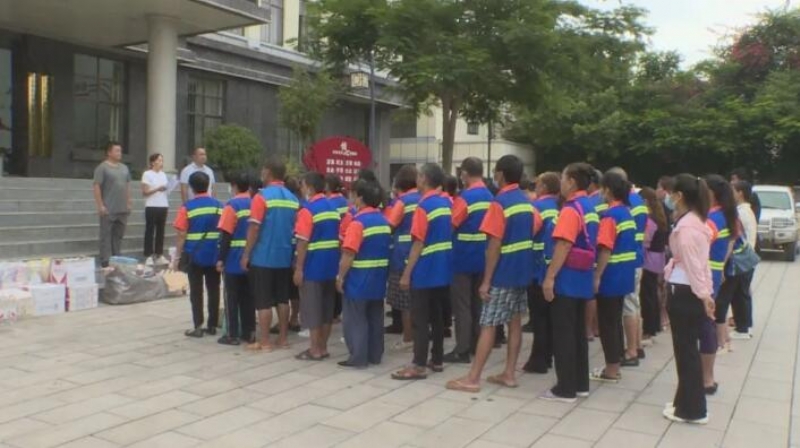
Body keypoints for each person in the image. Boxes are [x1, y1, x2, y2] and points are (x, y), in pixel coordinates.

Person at [446, 155, 539, 393]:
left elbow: (494, 245)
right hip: (522, 271)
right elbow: (535, 227)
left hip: (503, 273)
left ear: (500, 174)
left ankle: (473, 378)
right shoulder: (527, 202)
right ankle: (509, 374)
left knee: (488, 324)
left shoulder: (500, 203)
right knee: (515, 322)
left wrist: (486, 281)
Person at [540, 163, 598, 403]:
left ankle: (565, 388)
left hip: (567, 278)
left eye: (563, 179)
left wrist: (549, 277)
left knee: (563, 333)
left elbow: (563, 245)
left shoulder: (570, 209)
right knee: (577, 333)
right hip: (583, 277)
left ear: (572, 181)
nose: (561, 183)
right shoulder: (590, 206)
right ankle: (580, 384)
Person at [392, 163, 453, 380]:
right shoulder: (446, 203)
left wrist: (407, 273)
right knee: (437, 317)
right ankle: (437, 359)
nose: (416, 180)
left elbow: (418, 243)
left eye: (419, 176)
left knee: (420, 319)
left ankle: (418, 364)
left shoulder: (423, 207)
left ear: (424, 179)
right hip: (443, 268)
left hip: (425, 270)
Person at [663, 174, 715, 425]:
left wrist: (705, 295)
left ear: (679, 196)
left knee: (686, 353)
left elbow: (695, 266)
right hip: (690, 290)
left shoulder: (686, 228)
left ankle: (693, 410)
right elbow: (703, 265)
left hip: (685, 291)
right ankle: (682, 402)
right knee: (686, 350)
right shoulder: (696, 222)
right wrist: (707, 293)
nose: (669, 198)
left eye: (671, 194)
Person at [242, 158, 299, 352]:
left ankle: (265, 341)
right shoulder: (293, 199)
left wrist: (246, 254)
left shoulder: (261, 197)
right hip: (284, 256)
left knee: (263, 300)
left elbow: (254, 228)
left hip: (263, 256)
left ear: (268, 173)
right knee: (283, 299)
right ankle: (283, 338)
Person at [337, 180, 392, 368]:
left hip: (359, 279)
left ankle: (358, 357)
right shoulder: (384, 222)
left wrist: (340, 277)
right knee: (375, 317)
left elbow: (349, 253)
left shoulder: (358, 223)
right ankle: (375, 355)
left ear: (360, 198)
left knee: (356, 319)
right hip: (378, 278)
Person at [590, 172, 637, 384]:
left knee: (607, 324)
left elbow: (605, 249)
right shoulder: (626, 212)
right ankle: (615, 364)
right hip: (624, 274)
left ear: (607, 190)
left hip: (610, 275)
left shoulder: (610, 216)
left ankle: (611, 369)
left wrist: (597, 275)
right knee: (615, 321)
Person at [445, 157, 494, 364]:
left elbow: (452, 224)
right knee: (477, 304)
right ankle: (476, 344)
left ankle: (462, 349)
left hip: (463, 257)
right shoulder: (491, 197)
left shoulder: (465, 198)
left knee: (462, 306)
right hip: (484, 257)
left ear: (464, 173)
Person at [293, 172, 341, 360]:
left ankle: (314, 349)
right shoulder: (333, 208)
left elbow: (302, 242)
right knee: (327, 310)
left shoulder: (308, 210)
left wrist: (299, 268)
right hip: (331, 265)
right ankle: (323, 347)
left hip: (313, 265)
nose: (302, 189)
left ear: (310, 188)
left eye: (303, 185)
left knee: (313, 309)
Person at [172, 172, 223, 337]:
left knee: (196, 291)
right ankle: (212, 325)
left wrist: (177, 257)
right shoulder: (219, 206)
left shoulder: (187, 207)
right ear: (208, 185)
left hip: (194, 254)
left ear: (191, 188)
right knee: (214, 289)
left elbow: (181, 234)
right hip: (214, 254)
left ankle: (198, 326)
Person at [607, 167, 648, 365]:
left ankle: (631, 351)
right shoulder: (638, 201)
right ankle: (637, 346)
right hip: (636, 256)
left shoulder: (623, 205)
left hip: (626, 260)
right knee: (635, 304)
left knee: (629, 306)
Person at [523, 172, 560, 374]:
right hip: (552, 266)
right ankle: (547, 356)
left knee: (538, 317)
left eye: (537, 184)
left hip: (537, 267)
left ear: (544, 187)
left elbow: (528, 233)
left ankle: (538, 360)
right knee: (549, 316)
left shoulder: (537, 208)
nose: (535, 188)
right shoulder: (559, 207)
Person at [216, 171, 256, 345]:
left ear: (234, 186)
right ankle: (249, 332)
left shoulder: (232, 205)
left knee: (231, 298)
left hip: (233, 259)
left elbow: (226, 235)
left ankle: (232, 335)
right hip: (252, 257)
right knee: (248, 298)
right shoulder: (255, 203)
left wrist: (220, 259)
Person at [384, 165, 421, 349]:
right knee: (419, 299)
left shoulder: (402, 202)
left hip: (403, 253)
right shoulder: (424, 198)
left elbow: (390, 225)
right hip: (421, 252)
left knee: (405, 302)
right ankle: (419, 335)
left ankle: (408, 338)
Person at [706, 174, 738, 357]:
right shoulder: (726, 215)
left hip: (707, 271)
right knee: (714, 309)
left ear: (712, 193)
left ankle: (712, 346)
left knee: (707, 314)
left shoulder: (712, 218)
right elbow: (730, 244)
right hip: (716, 269)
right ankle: (721, 343)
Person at [723, 180, 758, 340]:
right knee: (741, 293)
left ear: (740, 193)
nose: (731, 194)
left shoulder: (741, 213)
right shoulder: (745, 210)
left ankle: (743, 328)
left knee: (740, 294)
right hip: (746, 258)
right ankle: (744, 326)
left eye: (733, 190)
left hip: (742, 258)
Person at [93, 142, 132, 268]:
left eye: (120, 151)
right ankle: (105, 260)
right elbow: (97, 186)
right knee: (106, 235)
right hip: (108, 208)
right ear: (109, 152)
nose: (119, 153)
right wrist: (100, 205)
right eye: (116, 151)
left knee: (118, 236)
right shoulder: (102, 168)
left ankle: (117, 258)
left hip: (122, 209)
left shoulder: (124, 168)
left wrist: (129, 202)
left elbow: (127, 186)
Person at [639, 187, 669, 342]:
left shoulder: (649, 220)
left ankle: (648, 329)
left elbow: (645, 241)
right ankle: (655, 325)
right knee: (653, 293)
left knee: (647, 295)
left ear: (645, 201)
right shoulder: (660, 217)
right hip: (658, 260)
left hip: (648, 260)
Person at [584, 168, 605, 342]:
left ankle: (588, 329)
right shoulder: (605, 199)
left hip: (593, 249)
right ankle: (597, 327)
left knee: (591, 293)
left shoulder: (591, 202)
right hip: (604, 249)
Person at [141, 153, 170, 265]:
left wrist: (168, 188)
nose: (161, 162)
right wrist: (157, 189)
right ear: (153, 162)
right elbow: (145, 192)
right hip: (151, 205)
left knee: (161, 231)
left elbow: (166, 190)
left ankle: (159, 254)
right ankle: (148, 255)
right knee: (150, 230)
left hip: (163, 205)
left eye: (162, 160)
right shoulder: (147, 174)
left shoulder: (163, 174)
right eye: (159, 160)